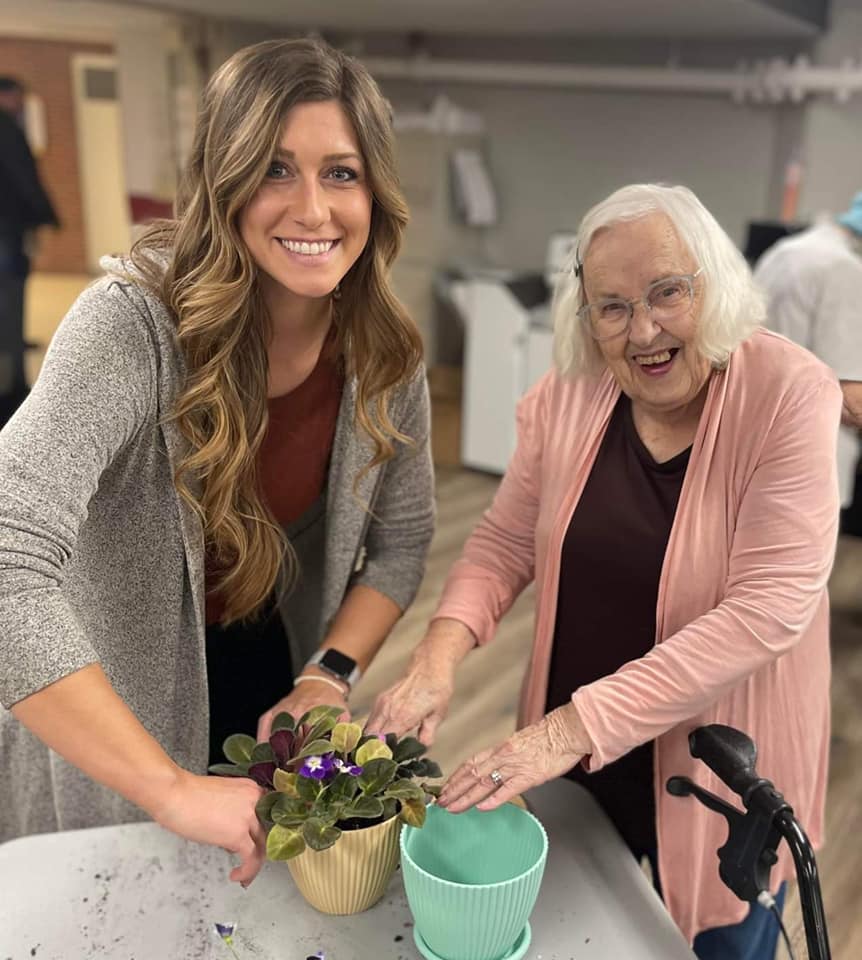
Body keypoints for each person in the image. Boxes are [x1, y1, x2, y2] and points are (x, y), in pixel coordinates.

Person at [0, 38, 434, 887]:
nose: (313, 208)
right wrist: (167, 786)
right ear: (222, 181)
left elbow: (403, 544)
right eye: (275, 169)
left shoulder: (386, 353)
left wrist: (327, 673)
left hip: (267, 677)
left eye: (341, 173)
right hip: (111, 707)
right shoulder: (129, 329)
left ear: (376, 192)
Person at [368, 183, 841, 958]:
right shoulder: (571, 391)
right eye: (612, 307)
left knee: (717, 941)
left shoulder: (786, 394)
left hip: (715, 768)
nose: (643, 330)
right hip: (579, 762)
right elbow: (503, 540)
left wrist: (568, 730)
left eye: (667, 293)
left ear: (712, 284)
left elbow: (769, 609)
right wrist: (435, 658)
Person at [753, 194, 862, 525]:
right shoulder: (844, 270)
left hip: (753, 452)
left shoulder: (785, 251)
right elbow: (850, 400)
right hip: (807, 469)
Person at [0, 76, 59, 417]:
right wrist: (47, 216)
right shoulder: (6, 128)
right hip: (6, 231)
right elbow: (24, 177)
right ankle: (12, 389)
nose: (21, 104)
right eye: (19, 97)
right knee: (9, 303)